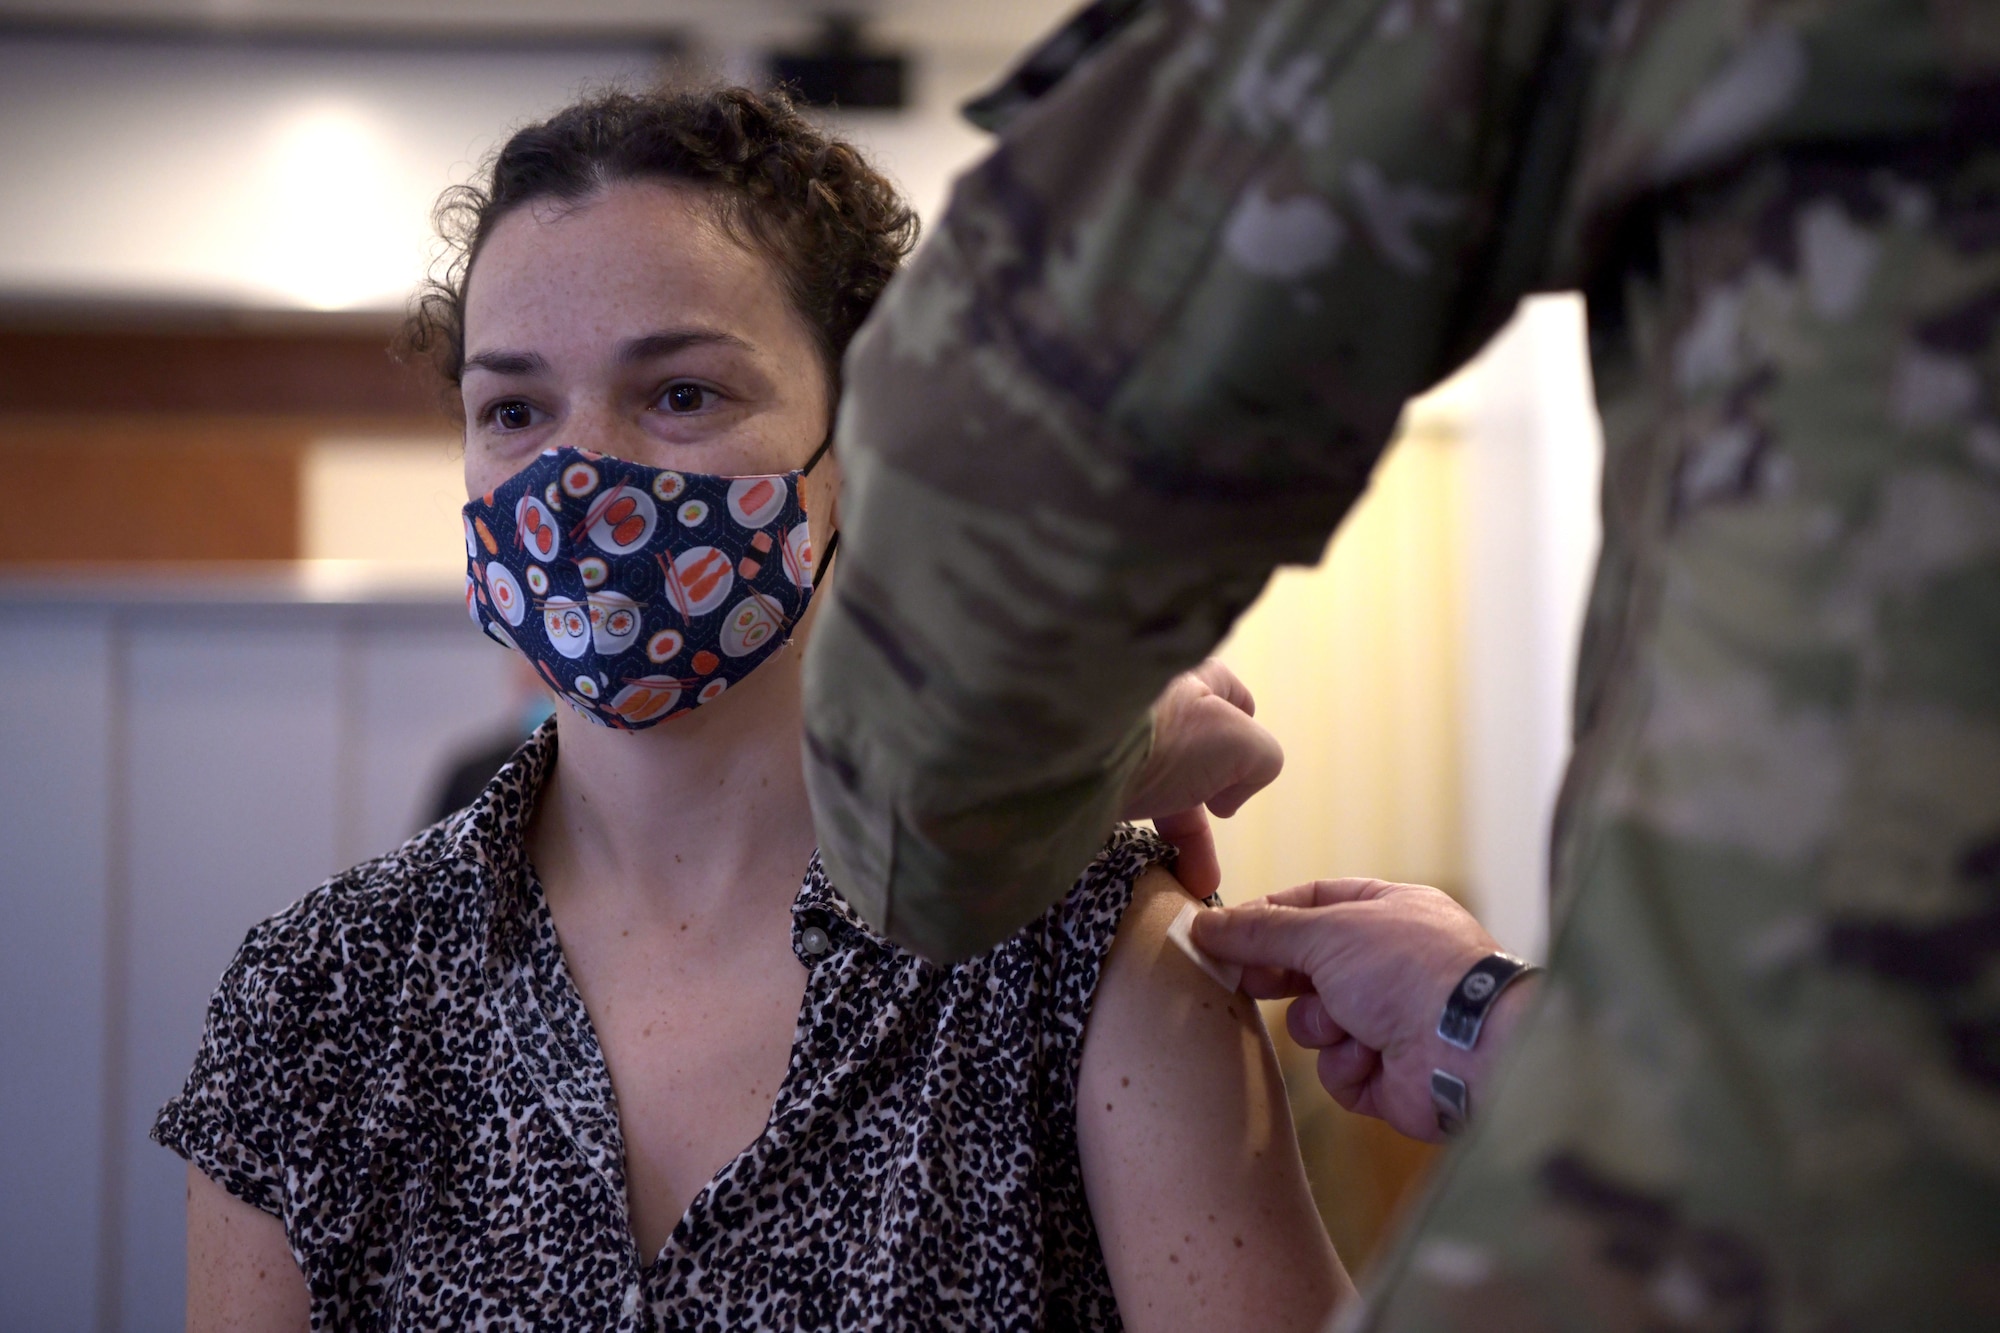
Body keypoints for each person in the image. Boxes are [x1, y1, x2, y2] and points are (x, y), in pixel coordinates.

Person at [799, 0, 2000, 1327]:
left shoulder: (1101, 954)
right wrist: (1489, 1018)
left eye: (689, 393)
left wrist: (1123, 742)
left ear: (830, 465)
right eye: (540, 404)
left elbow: (985, 524)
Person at [151, 87, 1341, 1330]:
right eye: (513, 410)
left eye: (681, 394)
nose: (576, 474)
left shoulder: (1084, 958)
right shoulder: (319, 1002)